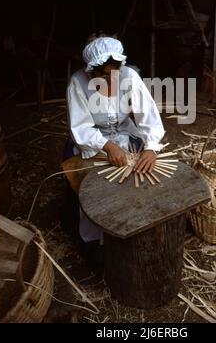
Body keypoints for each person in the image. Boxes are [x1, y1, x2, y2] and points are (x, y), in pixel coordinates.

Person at [63, 36, 165, 272]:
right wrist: (107, 146)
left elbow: (148, 114)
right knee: (94, 189)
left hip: (124, 134)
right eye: (104, 75)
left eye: (114, 72)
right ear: (91, 71)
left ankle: (131, 229)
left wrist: (150, 147)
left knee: (138, 178)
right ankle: (95, 244)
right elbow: (81, 127)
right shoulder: (78, 83)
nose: (111, 79)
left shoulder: (129, 76)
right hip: (91, 143)